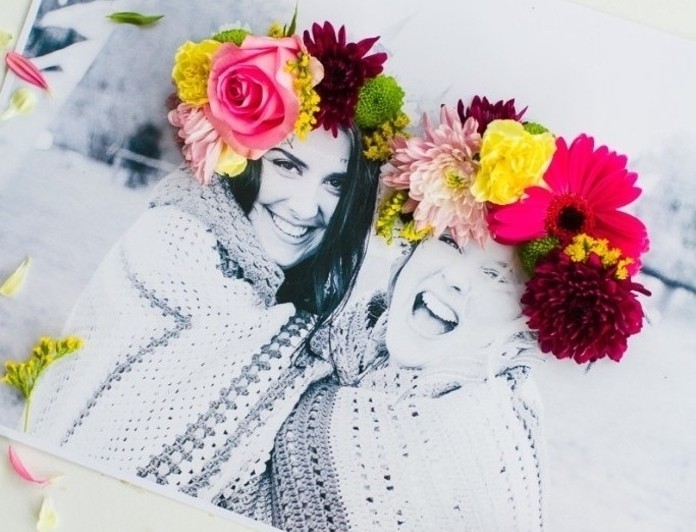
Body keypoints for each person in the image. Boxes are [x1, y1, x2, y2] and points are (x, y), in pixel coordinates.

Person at [28, 123, 378, 521]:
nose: (305, 206)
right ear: (237, 155)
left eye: (335, 184)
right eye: (286, 165)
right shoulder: (169, 252)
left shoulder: (295, 314)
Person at [270, 235, 546, 531]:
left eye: (494, 275)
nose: (455, 277)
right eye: (449, 241)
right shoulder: (315, 339)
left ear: (527, 325)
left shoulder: (486, 462)